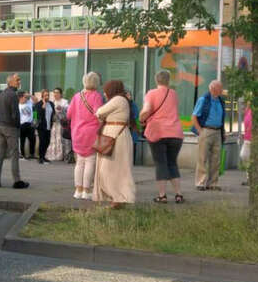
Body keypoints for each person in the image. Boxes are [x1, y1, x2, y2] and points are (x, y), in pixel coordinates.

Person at [142, 70, 185, 204]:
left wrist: (141, 117)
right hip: (175, 133)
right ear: (168, 80)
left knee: (161, 163)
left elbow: (147, 110)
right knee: (172, 163)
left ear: (157, 80)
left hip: (158, 132)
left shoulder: (151, 93)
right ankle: (178, 194)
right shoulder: (174, 94)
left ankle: (162, 195)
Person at [93, 79, 137, 208]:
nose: (104, 93)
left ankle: (120, 197)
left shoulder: (118, 100)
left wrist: (102, 112)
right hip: (116, 135)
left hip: (116, 136)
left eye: (106, 91)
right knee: (116, 169)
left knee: (110, 169)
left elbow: (99, 112)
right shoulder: (121, 100)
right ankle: (117, 198)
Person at [67, 73, 104, 199]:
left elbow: (69, 114)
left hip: (77, 132)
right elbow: (98, 113)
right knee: (90, 162)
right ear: (96, 82)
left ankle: (78, 190)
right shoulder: (96, 96)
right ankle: (86, 191)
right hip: (91, 133)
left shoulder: (77, 96)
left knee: (80, 162)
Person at [0, 73, 28, 189]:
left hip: (1, 127)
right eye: (17, 80)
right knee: (14, 154)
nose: (19, 82)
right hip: (10, 128)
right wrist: (18, 126)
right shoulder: (13, 94)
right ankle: (17, 181)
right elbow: (15, 114)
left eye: (19, 79)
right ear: (10, 82)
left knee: (1, 154)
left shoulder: (2, 93)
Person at [191, 80, 225, 191]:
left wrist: (223, 132)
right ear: (213, 89)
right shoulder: (203, 100)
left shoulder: (221, 101)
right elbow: (194, 116)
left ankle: (213, 183)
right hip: (206, 130)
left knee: (216, 159)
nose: (222, 90)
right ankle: (200, 182)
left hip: (217, 131)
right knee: (203, 158)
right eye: (220, 88)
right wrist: (200, 131)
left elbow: (222, 118)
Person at [48, 88, 69, 163]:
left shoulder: (64, 102)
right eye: (54, 93)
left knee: (60, 138)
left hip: (61, 123)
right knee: (53, 138)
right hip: (54, 123)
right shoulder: (51, 102)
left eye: (57, 92)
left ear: (61, 94)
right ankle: (53, 154)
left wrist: (62, 108)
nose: (55, 94)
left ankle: (61, 155)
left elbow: (68, 111)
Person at [35, 90, 53, 163]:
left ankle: (43, 156)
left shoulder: (51, 104)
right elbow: (35, 114)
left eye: (48, 95)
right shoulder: (38, 104)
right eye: (45, 95)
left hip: (49, 125)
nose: (47, 96)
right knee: (42, 141)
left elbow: (52, 112)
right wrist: (42, 108)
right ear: (42, 96)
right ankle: (40, 157)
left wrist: (53, 117)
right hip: (41, 126)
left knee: (47, 141)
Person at [239, 103, 254, 185]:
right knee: (244, 155)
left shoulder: (255, 111)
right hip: (247, 138)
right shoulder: (248, 111)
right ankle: (250, 178)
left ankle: (251, 178)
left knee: (248, 156)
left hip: (254, 139)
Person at [18, 92, 36, 159]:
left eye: (26, 97)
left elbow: (36, 100)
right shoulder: (18, 105)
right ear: (20, 98)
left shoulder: (29, 102)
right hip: (22, 124)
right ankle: (22, 154)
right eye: (24, 97)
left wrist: (29, 95)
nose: (26, 98)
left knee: (32, 139)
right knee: (22, 140)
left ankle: (31, 154)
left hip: (30, 124)